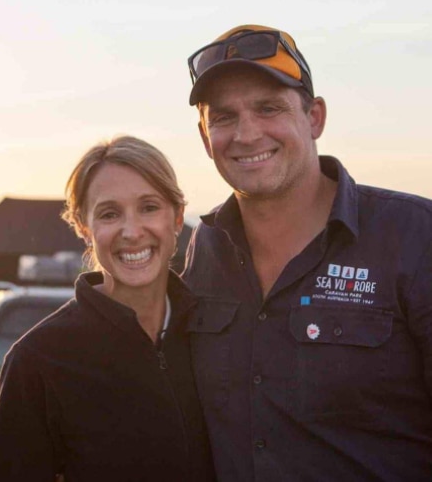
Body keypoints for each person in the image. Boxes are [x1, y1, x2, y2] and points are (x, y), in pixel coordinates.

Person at [183, 24, 432, 481]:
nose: (247, 133)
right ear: (204, 137)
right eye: (223, 117)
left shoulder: (416, 236)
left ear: (314, 117)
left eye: (268, 108)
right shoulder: (206, 249)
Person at [0, 136, 215, 481]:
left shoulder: (214, 335)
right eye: (109, 214)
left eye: (149, 207)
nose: (132, 231)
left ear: (178, 218)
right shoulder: (38, 362)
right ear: (84, 229)